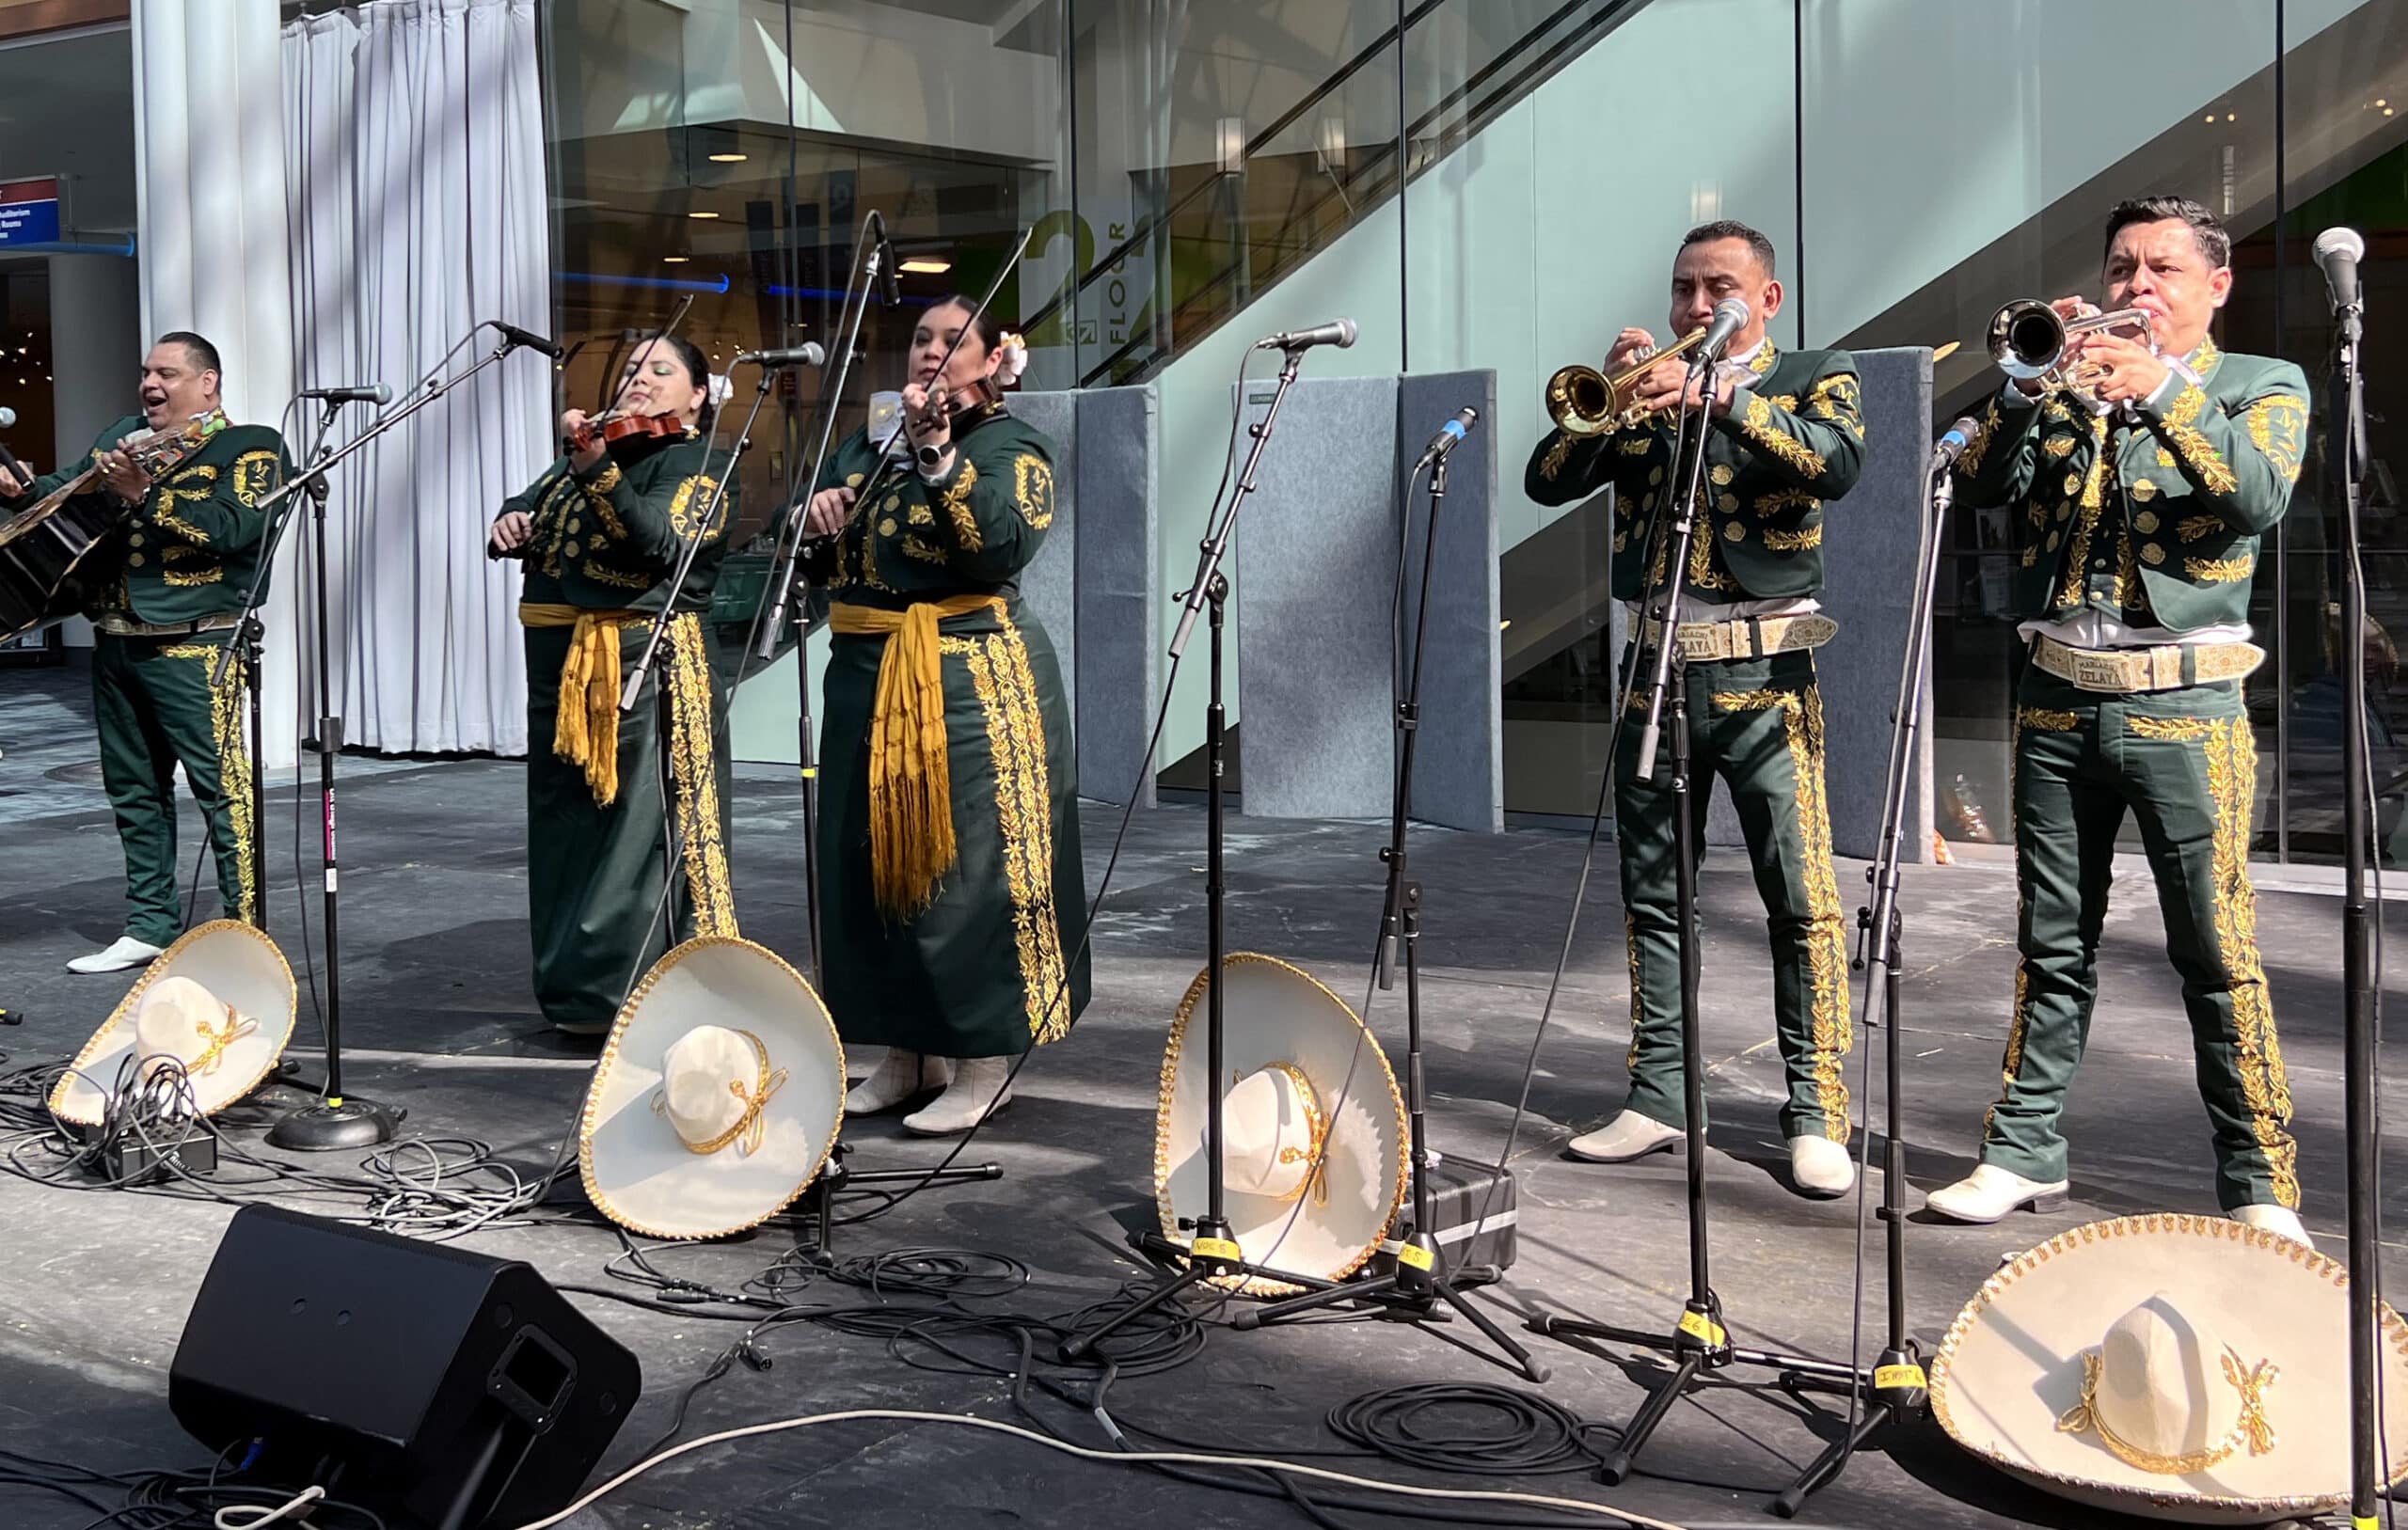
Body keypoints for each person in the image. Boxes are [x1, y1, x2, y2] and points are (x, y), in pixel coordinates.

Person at [1931, 196, 2312, 1245]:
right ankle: (2021, 1149)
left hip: (2186, 702)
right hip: (2056, 695)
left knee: (2214, 947)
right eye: (2120, 270)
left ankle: (2259, 1178)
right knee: (2050, 940)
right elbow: (1983, 487)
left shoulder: (2258, 385)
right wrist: (2028, 385)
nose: (2135, 288)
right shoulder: (2069, 388)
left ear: (2215, 285)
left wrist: (2167, 393)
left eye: (2160, 270)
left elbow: (2259, 497)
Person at [1523, 220, 1867, 1198]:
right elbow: (1543, 482)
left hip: (1766, 672)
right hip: (1655, 669)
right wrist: (1608, 405)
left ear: (1766, 299)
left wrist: (1720, 394)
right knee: (1652, 890)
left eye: (1716, 286)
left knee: (1798, 896)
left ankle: (1816, 1112)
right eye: (1682, 287)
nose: (1692, 306)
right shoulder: (1648, 393)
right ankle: (1660, 1091)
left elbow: (1834, 465)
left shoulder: (1811, 375)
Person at [798, 296, 1089, 1135]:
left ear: (996, 357)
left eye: (951, 340)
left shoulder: (1010, 445)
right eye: (921, 338)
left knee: (965, 872)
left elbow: (999, 544)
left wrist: (936, 453)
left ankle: (984, 1060)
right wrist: (815, 522)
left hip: (965, 678)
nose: (930, 351)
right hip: (864, 675)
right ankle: (907, 1051)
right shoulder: (869, 442)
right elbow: (830, 561)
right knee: (871, 863)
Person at [0, 333, 287, 974]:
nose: (150, 384)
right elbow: (64, 488)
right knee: (134, 791)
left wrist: (144, 494)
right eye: (146, 372)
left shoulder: (252, 445)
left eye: (167, 373)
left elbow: (234, 530)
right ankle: (150, 924)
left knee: (224, 792)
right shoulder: (124, 435)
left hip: (196, 645)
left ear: (208, 382)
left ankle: (244, 935)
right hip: (116, 640)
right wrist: (19, 489)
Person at [489, 335, 739, 1035]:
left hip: (646, 663)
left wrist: (599, 471)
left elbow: (659, 539)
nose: (640, 379)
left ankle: (669, 989)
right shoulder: (585, 457)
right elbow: (530, 501)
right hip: (565, 671)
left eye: (662, 371)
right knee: (571, 825)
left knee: (647, 827)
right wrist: (511, 517)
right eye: (632, 368)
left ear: (696, 395)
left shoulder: (701, 460)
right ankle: (582, 993)